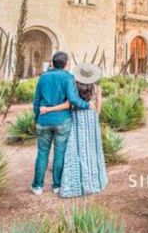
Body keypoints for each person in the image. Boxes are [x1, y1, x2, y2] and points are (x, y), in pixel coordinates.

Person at [41, 62, 108, 198]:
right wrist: (95, 117)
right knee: (91, 148)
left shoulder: (74, 87)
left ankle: (75, 181)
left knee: (75, 148)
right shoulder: (97, 88)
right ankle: (94, 179)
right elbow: (98, 104)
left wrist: (48, 109)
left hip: (76, 118)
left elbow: (69, 104)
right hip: (91, 118)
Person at [30, 52, 90, 196]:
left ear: (52, 62)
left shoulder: (43, 77)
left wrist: (37, 117)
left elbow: (36, 101)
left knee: (42, 153)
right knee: (59, 153)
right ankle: (57, 185)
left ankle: (37, 186)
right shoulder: (68, 78)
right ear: (66, 63)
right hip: (62, 121)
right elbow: (73, 100)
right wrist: (87, 105)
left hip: (44, 120)